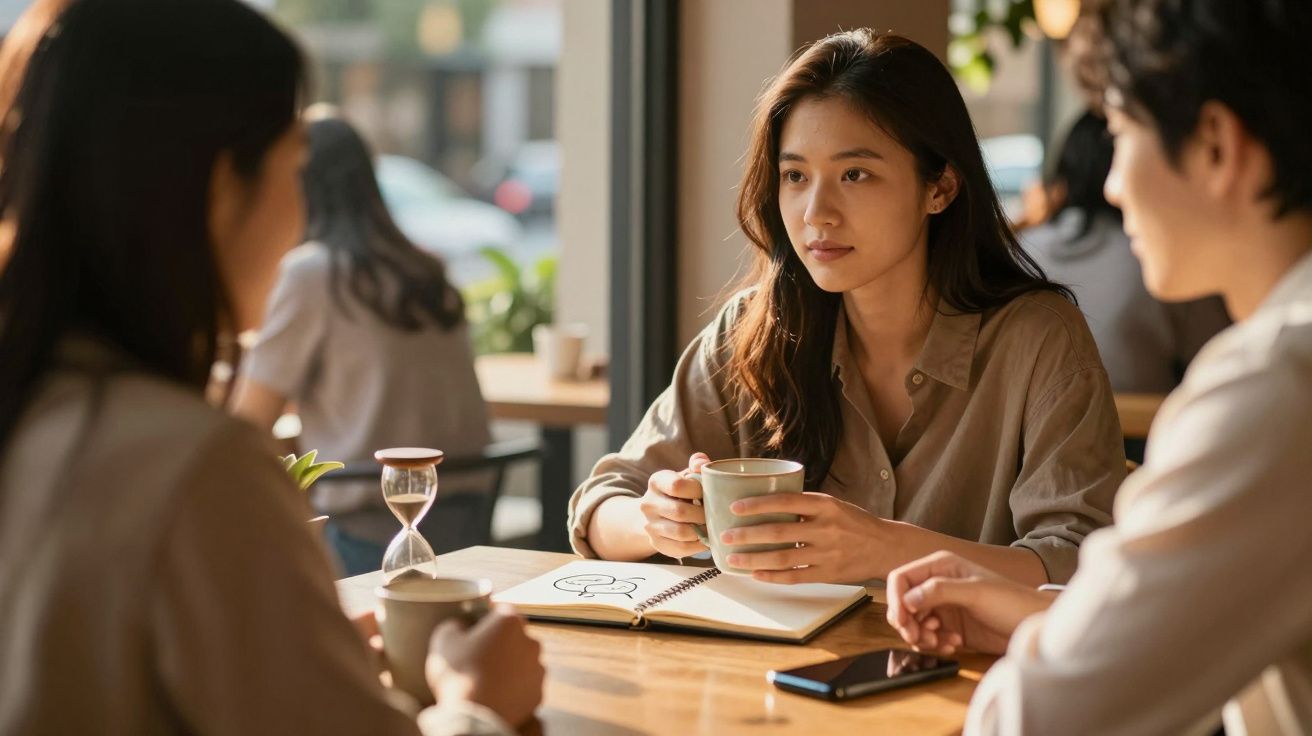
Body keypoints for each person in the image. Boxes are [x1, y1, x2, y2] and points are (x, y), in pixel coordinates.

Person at [0, 1, 541, 734]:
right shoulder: (195, 468)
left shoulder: (45, 413)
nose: (298, 211)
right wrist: (475, 702)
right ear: (224, 186)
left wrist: (289, 649)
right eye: (292, 165)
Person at [885, 1, 1312, 732]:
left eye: (1119, 133)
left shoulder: (1274, 387)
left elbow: (1042, 719)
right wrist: (1045, 613)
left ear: (1215, 144)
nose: (1110, 184)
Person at [570, 30, 1125, 587]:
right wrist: (658, 520)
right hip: (771, 668)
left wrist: (885, 549)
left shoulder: (1038, 340)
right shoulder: (754, 331)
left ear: (941, 187)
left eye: (854, 174)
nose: (816, 213)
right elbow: (598, 507)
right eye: (795, 176)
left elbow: (1077, 564)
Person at [231, 109, 493, 576]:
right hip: (468, 522)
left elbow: (246, 425)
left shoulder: (314, 273)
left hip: (369, 530)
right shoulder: (424, 268)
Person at [1020, 109, 1231, 395]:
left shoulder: (1017, 248)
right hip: (1141, 433)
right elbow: (1219, 359)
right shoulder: (1158, 256)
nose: (1114, 188)